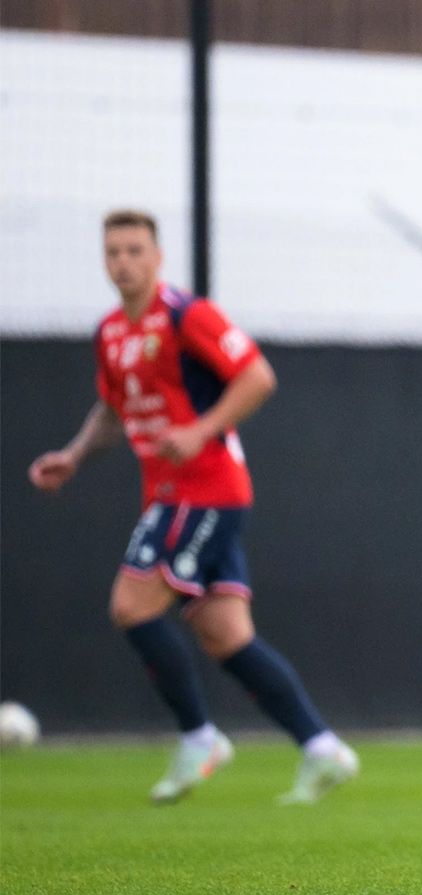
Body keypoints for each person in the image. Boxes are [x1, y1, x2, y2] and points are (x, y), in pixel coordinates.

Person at [28, 209, 359, 806]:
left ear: (158, 257)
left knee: (130, 605)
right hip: (172, 494)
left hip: (204, 488)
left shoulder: (187, 315)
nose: (123, 262)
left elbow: (257, 376)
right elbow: (113, 409)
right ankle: (322, 748)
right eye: (113, 252)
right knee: (226, 634)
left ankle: (200, 738)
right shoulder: (111, 332)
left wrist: (202, 430)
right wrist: (73, 455)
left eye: (134, 250)